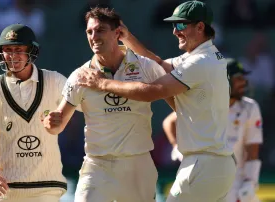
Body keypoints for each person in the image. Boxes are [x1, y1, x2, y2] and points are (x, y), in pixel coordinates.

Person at [76, 1, 237, 201]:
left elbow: (152, 91)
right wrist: (128, 38)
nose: (174, 32)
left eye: (180, 25)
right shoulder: (204, 57)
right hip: (216, 163)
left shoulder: (199, 62)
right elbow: (158, 64)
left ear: (200, 27)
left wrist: (102, 84)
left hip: (204, 163)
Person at [43, 7, 172, 202]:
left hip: (137, 164)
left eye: (100, 30)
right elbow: (58, 124)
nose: (94, 36)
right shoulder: (80, 76)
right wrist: (50, 124)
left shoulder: (145, 66)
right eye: (89, 31)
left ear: (117, 33)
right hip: (97, 166)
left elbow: (172, 91)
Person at [0, 23, 68, 202]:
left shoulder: (55, 81)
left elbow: (84, 104)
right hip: (3, 189)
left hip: (45, 187)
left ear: (32, 51)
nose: (13, 55)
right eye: (7, 49)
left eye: (18, 49)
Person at [163, 58, 263, 202]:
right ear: (225, 81)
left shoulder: (249, 108)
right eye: (238, 78)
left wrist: (250, 181)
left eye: (243, 78)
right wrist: (176, 146)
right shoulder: (205, 103)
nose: (243, 83)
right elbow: (169, 122)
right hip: (204, 175)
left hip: (236, 179)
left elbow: (252, 148)